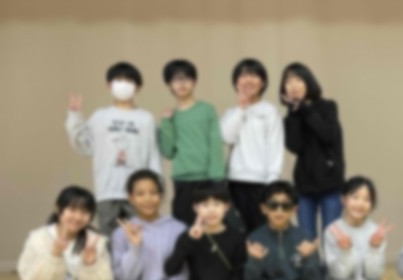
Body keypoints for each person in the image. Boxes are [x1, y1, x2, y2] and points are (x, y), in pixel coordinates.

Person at [65, 61, 161, 235]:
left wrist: (156, 187)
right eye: (118, 80)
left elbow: (153, 155)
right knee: (108, 241)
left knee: (141, 238)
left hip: (139, 193)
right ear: (109, 85)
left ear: (138, 88)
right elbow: (85, 147)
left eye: (129, 81)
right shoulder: (100, 116)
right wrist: (75, 117)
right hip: (106, 191)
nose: (123, 85)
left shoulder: (146, 118)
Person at [158, 59, 226, 225]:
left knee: (210, 225)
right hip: (182, 178)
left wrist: (217, 179)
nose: (182, 83)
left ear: (194, 81)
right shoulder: (171, 116)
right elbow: (168, 152)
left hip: (207, 178)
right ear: (169, 85)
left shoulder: (206, 109)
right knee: (183, 226)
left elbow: (215, 144)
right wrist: (166, 123)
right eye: (176, 79)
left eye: (186, 78)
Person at [281, 62, 345, 240]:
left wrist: (305, 109)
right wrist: (294, 113)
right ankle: (311, 261)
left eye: (298, 80)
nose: (293, 86)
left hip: (330, 183)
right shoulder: (290, 116)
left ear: (308, 81)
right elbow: (295, 146)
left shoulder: (327, 106)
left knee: (331, 237)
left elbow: (329, 135)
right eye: (288, 82)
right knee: (306, 238)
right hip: (304, 186)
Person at [221, 58, 284, 233]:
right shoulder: (231, 112)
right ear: (236, 82)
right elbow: (226, 138)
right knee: (236, 230)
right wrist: (241, 109)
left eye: (254, 76)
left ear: (263, 82)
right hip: (235, 180)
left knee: (261, 231)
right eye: (243, 76)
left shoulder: (270, 111)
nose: (248, 80)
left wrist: (272, 183)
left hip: (261, 182)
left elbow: (275, 148)